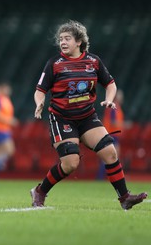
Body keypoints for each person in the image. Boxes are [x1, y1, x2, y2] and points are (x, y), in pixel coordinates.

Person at [30, 20, 147, 210]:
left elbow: (110, 83)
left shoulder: (93, 61)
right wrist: (39, 102)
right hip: (61, 118)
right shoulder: (54, 64)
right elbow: (40, 90)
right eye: (61, 39)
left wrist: (110, 99)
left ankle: (125, 198)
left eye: (67, 38)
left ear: (79, 42)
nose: (63, 42)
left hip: (86, 116)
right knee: (70, 163)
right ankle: (40, 191)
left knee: (109, 151)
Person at [97, 89, 125, 179]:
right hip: (112, 135)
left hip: (113, 135)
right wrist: (124, 125)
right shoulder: (114, 107)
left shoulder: (116, 108)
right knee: (111, 157)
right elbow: (113, 122)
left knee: (110, 157)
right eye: (120, 96)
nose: (121, 98)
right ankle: (103, 177)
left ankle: (104, 177)